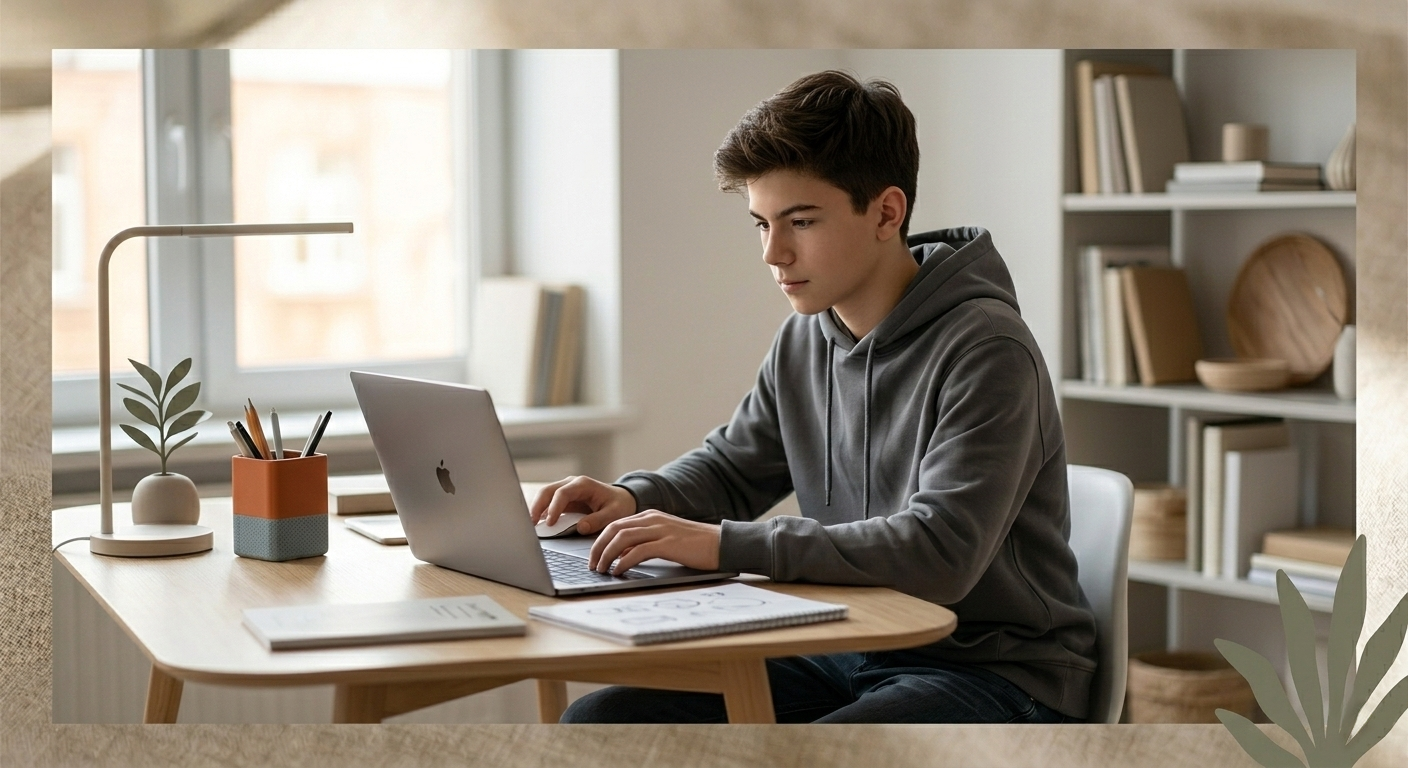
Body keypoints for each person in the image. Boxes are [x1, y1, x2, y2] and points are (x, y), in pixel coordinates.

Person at [529, 70, 1096, 724]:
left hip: (994, 670)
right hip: (850, 641)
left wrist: (720, 545)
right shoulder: (804, 340)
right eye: (761, 223)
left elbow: (940, 553)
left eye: (800, 221)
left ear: (887, 212)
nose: (774, 252)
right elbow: (732, 468)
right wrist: (632, 498)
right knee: (599, 725)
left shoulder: (988, 350)